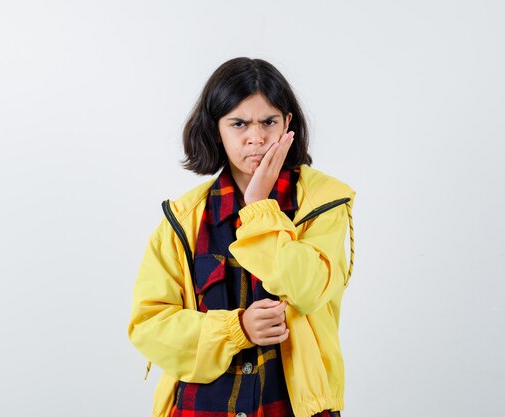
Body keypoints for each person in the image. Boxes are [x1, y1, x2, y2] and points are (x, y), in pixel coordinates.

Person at [128, 57, 356, 417]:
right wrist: (238, 329)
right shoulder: (183, 219)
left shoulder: (323, 204)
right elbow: (149, 326)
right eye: (239, 123)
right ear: (215, 129)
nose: (257, 138)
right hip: (199, 408)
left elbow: (308, 290)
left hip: (290, 408)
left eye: (269, 122)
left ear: (288, 124)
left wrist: (259, 209)